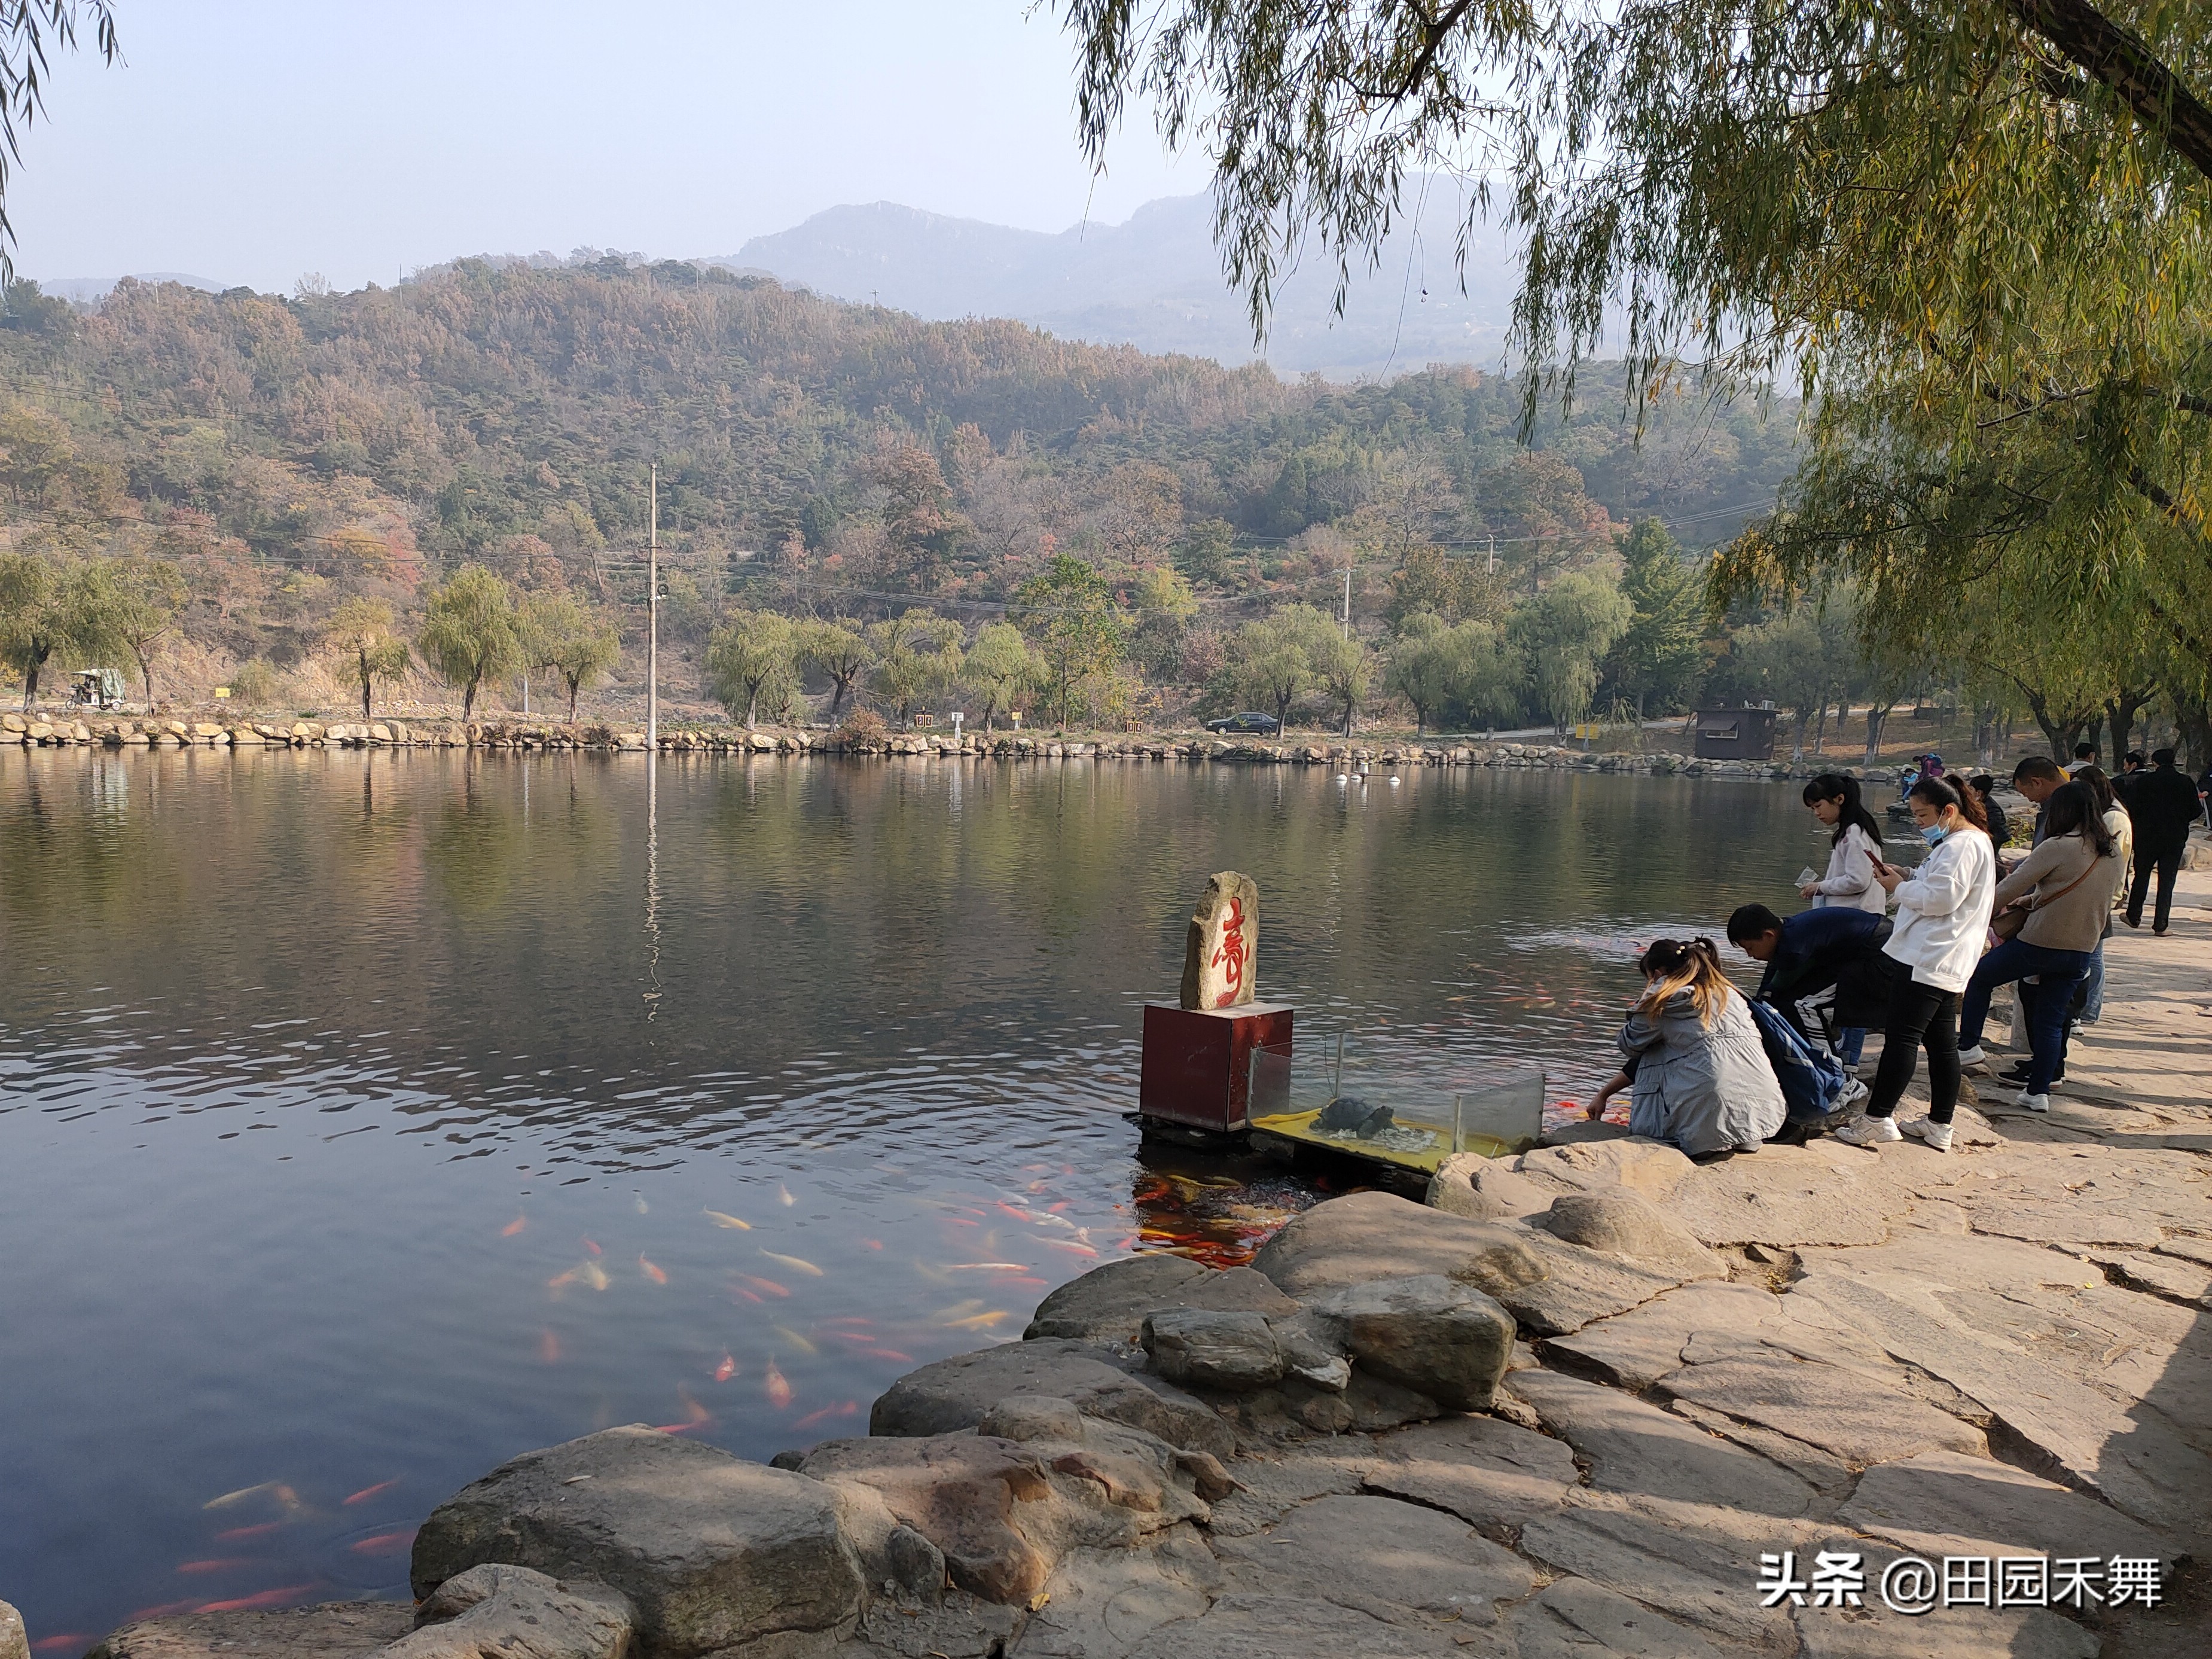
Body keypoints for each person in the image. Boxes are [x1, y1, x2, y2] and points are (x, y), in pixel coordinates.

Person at [1835, 777, 1997, 1152]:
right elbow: (1939, 886)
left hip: (1930, 954)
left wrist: (1898, 889)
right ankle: (1940, 1123)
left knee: (1902, 1038)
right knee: (1941, 1044)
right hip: (1946, 956)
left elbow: (1942, 899)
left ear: (1949, 811)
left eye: (1923, 815)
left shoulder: (1962, 844)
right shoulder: (1968, 842)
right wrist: (1906, 877)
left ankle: (1877, 1119)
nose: (1919, 822)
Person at [1954, 781, 2125, 1112]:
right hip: (2080, 949)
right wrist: (2035, 898)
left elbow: (2005, 889)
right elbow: (2089, 895)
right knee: (2051, 1021)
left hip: (2040, 943)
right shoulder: (2111, 851)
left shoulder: (2058, 846)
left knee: (1980, 977)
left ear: (2062, 811)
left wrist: (1972, 912)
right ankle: (2038, 1093)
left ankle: (1969, 1045)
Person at [1585, 937, 1786, 1159]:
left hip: (1709, 1117)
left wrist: (1647, 997)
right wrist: (1605, 1093)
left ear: (1659, 973)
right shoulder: (1731, 996)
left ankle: (1679, 1132)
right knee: (1680, 1046)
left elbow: (1628, 1045)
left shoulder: (1664, 1002)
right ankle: (1736, 1134)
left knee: (1653, 1047)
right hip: (1761, 1114)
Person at [1726, 901, 1891, 1070]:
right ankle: (1805, 1057)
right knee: (1787, 1001)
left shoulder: (1793, 945)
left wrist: (1763, 1001)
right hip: (1861, 949)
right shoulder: (1786, 934)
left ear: (1769, 935)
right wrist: (1762, 999)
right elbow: (1771, 984)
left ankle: (1828, 1070)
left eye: (1750, 948)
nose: (1750, 955)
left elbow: (1779, 983)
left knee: (1805, 1005)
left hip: (1879, 953)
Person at [2123, 748, 2201, 935]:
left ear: (2154, 762)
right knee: (2167, 881)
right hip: (2174, 837)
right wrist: (2180, 820)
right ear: (2174, 761)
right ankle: (2161, 925)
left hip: (2146, 836)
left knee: (2141, 875)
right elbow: (2196, 810)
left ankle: (2133, 915)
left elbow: (2132, 807)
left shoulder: (2144, 782)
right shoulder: (2185, 782)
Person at [1798, 774, 1889, 915]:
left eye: (1818, 806)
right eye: (1813, 809)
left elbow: (1858, 881)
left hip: (1855, 916)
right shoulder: (1857, 829)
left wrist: (1821, 887)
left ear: (1839, 799)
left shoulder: (1853, 834)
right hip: (1857, 914)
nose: (1817, 813)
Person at [2012, 755, 2065, 843]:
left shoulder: (2068, 811)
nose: (2030, 800)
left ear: (2037, 783)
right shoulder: (2052, 806)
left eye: (2025, 793)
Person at [1965, 775, 2009, 850]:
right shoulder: (1979, 802)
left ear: (1979, 793)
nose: (1968, 792)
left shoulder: (1991, 806)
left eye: (1971, 789)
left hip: (1996, 836)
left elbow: (1995, 822)